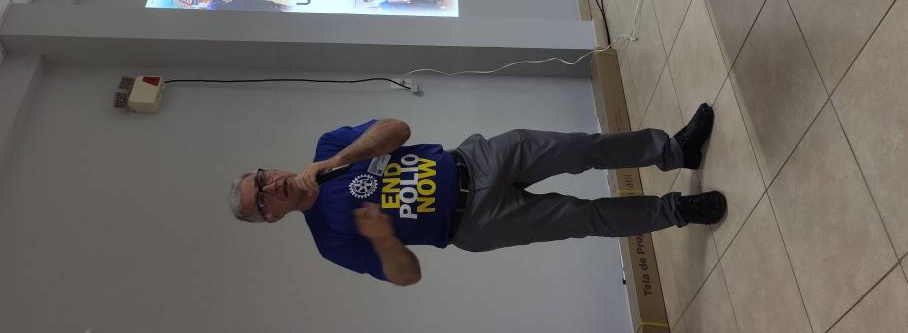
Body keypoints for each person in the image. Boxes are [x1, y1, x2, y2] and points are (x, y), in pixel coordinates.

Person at [226, 107, 725, 285]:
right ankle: (677, 211)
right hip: (475, 223)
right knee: (583, 217)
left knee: (583, 147)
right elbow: (408, 275)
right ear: (272, 218)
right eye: (261, 201)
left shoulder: (328, 148)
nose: (270, 189)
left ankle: (675, 151)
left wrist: (336, 162)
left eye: (261, 179)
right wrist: (382, 239)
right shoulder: (331, 240)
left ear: (271, 169)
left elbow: (398, 129)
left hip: (477, 159)